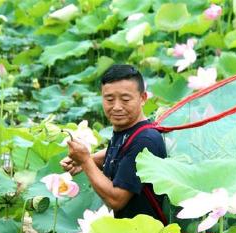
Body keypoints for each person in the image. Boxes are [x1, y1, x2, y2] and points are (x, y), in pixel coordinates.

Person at [60, 64, 167, 221]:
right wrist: (86, 160)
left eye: (125, 99)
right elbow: (122, 153)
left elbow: (116, 200)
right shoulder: (128, 131)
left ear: (143, 98)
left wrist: (85, 160)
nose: (116, 107)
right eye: (109, 99)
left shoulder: (145, 140)